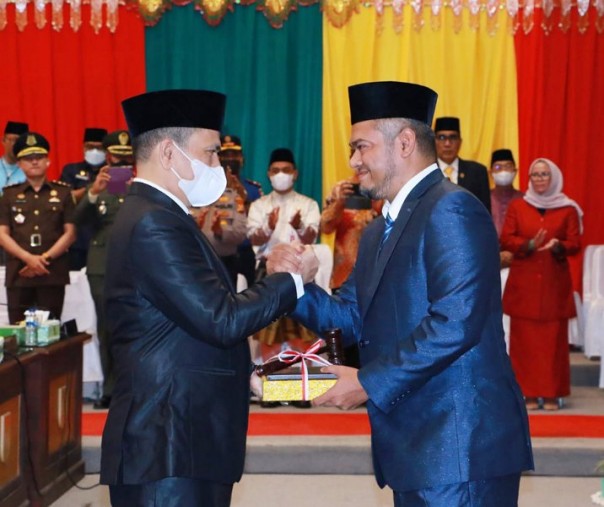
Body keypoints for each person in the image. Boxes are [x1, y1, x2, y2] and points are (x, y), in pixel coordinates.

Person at [269, 81, 533, 505]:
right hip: (415, 447)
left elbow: (456, 322)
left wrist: (367, 383)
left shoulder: (451, 207)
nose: (353, 161)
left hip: (459, 448)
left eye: (362, 147)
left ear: (405, 142)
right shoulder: (378, 231)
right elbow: (353, 319)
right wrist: (294, 284)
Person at [99, 89, 317, 507]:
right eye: (211, 154)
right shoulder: (153, 223)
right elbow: (221, 319)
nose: (219, 165)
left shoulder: (161, 215)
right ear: (168, 153)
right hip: (168, 444)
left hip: (184, 437)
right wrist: (290, 279)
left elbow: (196, 319)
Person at [500, 158, 582, 411]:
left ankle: (551, 394)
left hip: (554, 285)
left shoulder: (568, 209)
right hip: (524, 285)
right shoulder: (518, 206)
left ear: (554, 177)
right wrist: (529, 245)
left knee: (553, 344)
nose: (540, 178)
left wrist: (559, 246)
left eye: (545, 174)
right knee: (524, 344)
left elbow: (574, 242)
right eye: (535, 174)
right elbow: (507, 238)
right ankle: (527, 394)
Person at [73, 129, 135, 410]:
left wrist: (139, 191)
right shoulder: (97, 186)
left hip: (135, 265)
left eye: (126, 158)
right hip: (102, 266)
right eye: (117, 158)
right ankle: (111, 388)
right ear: (108, 156)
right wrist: (94, 192)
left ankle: (134, 385)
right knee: (107, 328)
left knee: (135, 327)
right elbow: (77, 220)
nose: (121, 164)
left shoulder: (141, 185)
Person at [247, 148, 320, 363]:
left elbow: (311, 238)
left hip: (300, 273)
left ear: (295, 173)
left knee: (302, 333)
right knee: (267, 334)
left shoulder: (308, 204)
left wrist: (299, 227)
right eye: (276, 170)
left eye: (286, 170)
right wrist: (268, 228)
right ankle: (269, 386)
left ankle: (301, 386)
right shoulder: (259, 206)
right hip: (267, 274)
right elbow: (253, 239)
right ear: (269, 174)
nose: (281, 174)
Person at [0, 132, 76, 323]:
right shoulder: (9, 195)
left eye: (39, 157)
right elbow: (2, 234)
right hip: (19, 272)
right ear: (19, 164)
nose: (34, 162)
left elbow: (71, 233)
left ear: (48, 161)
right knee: (17, 335)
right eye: (28, 158)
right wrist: (28, 259)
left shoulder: (63, 192)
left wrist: (42, 259)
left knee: (51, 333)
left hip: (51, 272)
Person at [217, 134, 263, 287]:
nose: (230, 159)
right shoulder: (209, 187)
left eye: (235, 155)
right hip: (216, 252)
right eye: (225, 155)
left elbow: (258, 219)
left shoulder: (253, 189)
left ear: (242, 158)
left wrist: (243, 197)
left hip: (244, 252)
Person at [60, 127, 108, 270]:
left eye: (99, 148)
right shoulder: (71, 170)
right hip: (78, 240)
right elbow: (65, 199)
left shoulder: (112, 171)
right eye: (90, 147)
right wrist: (92, 188)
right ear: (83, 147)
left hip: (105, 238)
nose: (94, 151)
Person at [434, 116, 491, 213]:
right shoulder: (425, 170)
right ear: (434, 142)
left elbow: (484, 213)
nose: (447, 144)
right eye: (442, 137)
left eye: (453, 137)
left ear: (460, 142)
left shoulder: (477, 172)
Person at [490, 148, 523, 268]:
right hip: (489, 263)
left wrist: (514, 254)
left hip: (520, 263)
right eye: (498, 167)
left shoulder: (526, 200)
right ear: (490, 172)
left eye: (508, 166)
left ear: (515, 171)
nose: (503, 171)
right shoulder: (483, 199)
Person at [0, 121, 29, 192]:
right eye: (10, 140)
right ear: (3, 141)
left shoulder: (30, 170)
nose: (13, 144)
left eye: (17, 140)